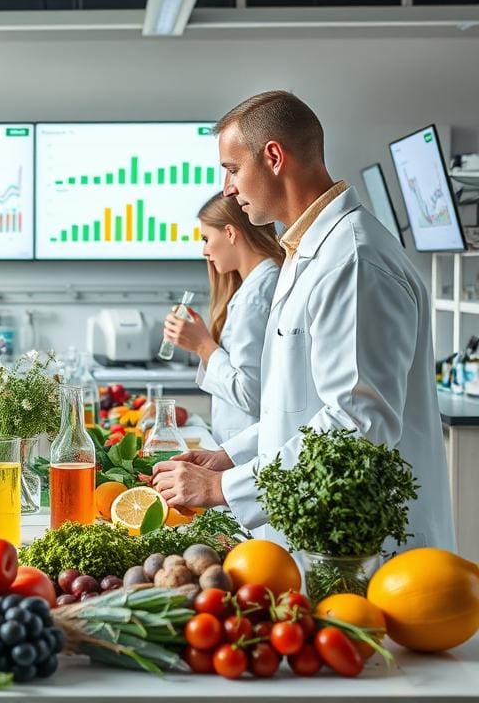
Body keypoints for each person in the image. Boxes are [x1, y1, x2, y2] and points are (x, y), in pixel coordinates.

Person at [152, 90, 454, 552]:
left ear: (273, 156)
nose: (228, 188)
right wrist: (228, 457)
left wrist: (222, 489)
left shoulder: (353, 259)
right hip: (318, 530)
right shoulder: (306, 252)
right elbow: (295, 410)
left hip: (367, 549)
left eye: (233, 169)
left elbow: (358, 423)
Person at [162, 193, 282, 444]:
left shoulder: (255, 297)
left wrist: (202, 345)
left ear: (230, 232)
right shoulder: (256, 285)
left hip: (250, 451)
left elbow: (250, 395)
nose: (204, 251)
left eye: (206, 238)